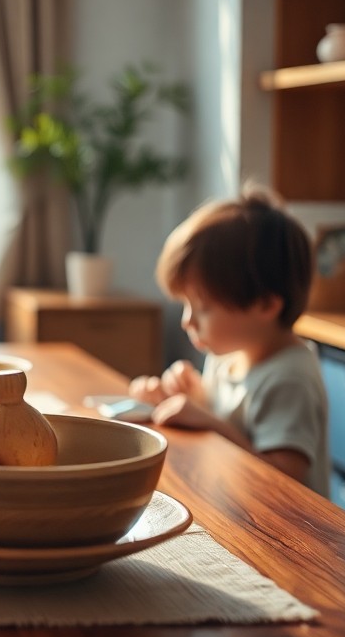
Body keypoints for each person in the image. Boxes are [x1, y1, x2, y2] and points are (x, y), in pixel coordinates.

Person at [127, 186, 330, 494]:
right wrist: (193, 397)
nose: (187, 321)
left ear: (265, 305)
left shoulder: (290, 378)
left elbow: (285, 480)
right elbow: (227, 418)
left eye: (203, 307)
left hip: (277, 522)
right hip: (231, 502)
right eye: (186, 305)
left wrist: (209, 423)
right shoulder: (229, 355)